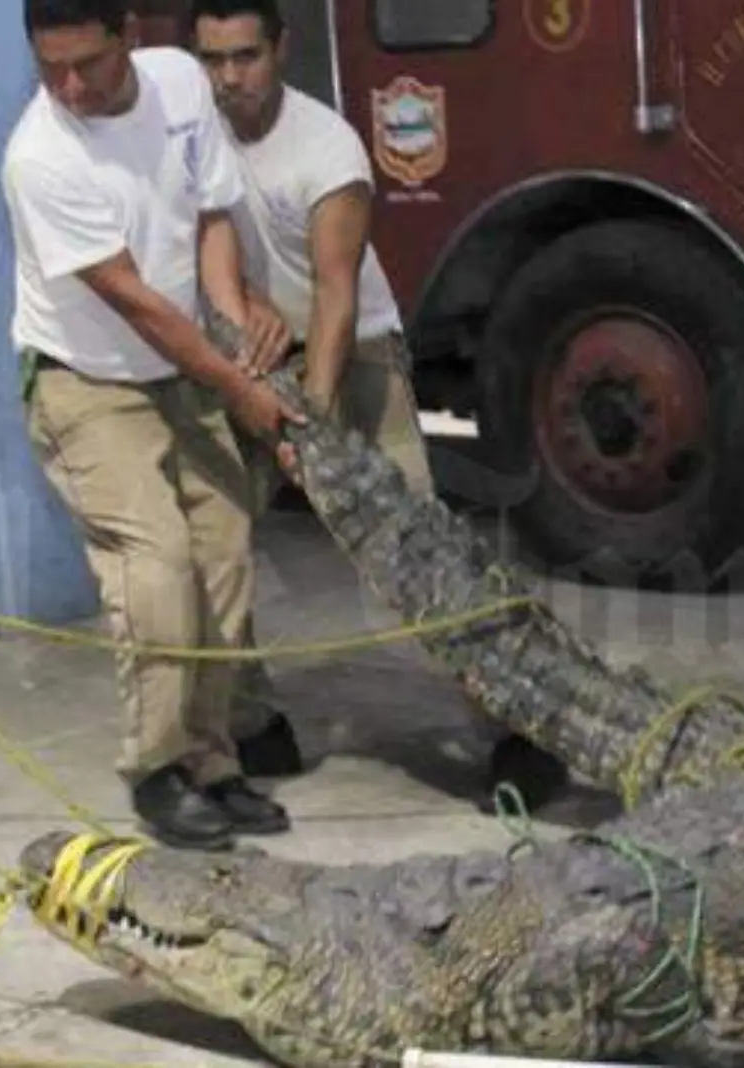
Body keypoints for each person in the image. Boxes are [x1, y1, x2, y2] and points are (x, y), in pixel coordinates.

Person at [186, 0, 566, 814]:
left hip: (348, 357)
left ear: (281, 49)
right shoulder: (192, 135)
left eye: (246, 56)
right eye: (213, 60)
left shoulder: (327, 146)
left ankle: (515, 733)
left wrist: (314, 421)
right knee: (204, 540)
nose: (229, 79)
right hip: (245, 358)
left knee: (416, 551)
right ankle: (253, 724)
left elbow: (335, 291)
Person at [5, 0, 306, 851]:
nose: (69, 86)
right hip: (87, 385)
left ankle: (213, 763)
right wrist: (239, 388)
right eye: (49, 68)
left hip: (182, 366)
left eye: (88, 65)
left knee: (222, 556)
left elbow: (209, 215)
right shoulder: (39, 157)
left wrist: (230, 315)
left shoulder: (177, 82)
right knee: (158, 566)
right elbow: (136, 300)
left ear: (128, 36)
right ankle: (156, 772)